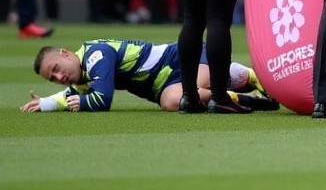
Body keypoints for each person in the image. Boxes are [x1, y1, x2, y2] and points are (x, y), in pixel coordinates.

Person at [22, 39, 277, 113]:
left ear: (65, 54)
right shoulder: (84, 70)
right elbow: (75, 93)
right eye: (52, 78)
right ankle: (250, 98)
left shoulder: (96, 55)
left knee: (189, 92)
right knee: (171, 102)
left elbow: (101, 100)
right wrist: (46, 103)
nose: (59, 77)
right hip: (168, 82)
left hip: (183, 58)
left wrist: (79, 103)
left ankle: (248, 76)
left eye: (56, 69)